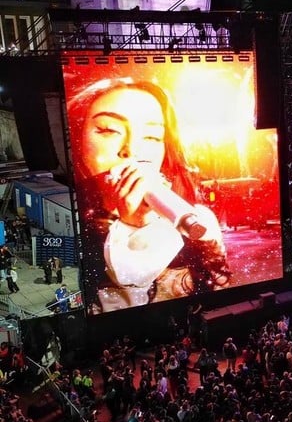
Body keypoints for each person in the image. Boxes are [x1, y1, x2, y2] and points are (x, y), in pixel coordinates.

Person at [66, 78, 230, 313]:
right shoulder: (71, 229)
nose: (132, 150)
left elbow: (220, 295)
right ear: (76, 140)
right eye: (108, 130)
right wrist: (131, 227)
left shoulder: (197, 218)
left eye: (152, 136)